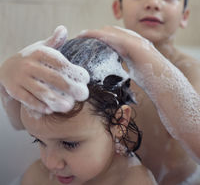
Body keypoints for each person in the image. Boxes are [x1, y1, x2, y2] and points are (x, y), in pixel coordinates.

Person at [0, 0, 200, 184]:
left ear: (185, 15)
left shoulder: (190, 72)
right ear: (118, 7)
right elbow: (23, 121)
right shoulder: (96, 67)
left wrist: (145, 53)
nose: (153, 2)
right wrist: (7, 73)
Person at [19, 37, 157, 185]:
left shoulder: (136, 182)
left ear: (119, 122)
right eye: (39, 140)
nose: (50, 163)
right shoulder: (39, 177)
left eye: (69, 144)